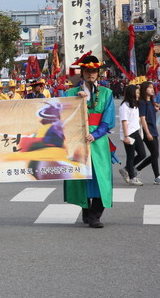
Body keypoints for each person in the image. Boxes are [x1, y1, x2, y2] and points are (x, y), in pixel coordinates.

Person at [64, 55, 115, 228]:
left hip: (98, 141)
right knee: (81, 177)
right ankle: (85, 210)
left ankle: (96, 215)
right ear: (82, 73)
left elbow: (108, 120)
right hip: (77, 141)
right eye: (87, 71)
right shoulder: (70, 93)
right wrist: (76, 102)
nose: (90, 74)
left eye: (93, 71)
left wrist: (96, 134)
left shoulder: (107, 93)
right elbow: (63, 118)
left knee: (101, 177)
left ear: (98, 73)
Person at [136, 81, 160, 185]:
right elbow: (143, 119)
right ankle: (157, 176)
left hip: (153, 130)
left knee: (155, 154)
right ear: (144, 90)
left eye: (152, 88)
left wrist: (156, 110)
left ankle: (135, 170)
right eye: (149, 88)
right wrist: (147, 133)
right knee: (154, 154)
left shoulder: (151, 102)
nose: (152, 89)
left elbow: (150, 116)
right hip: (148, 131)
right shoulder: (142, 103)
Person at [118, 84, 146, 186]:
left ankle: (126, 169)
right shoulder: (124, 106)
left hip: (136, 131)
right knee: (130, 156)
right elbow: (124, 122)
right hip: (128, 133)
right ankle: (132, 178)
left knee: (142, 154)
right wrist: (126, 136)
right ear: (131, 93)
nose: (138, 94)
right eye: (137, 93)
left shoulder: (135, 104)